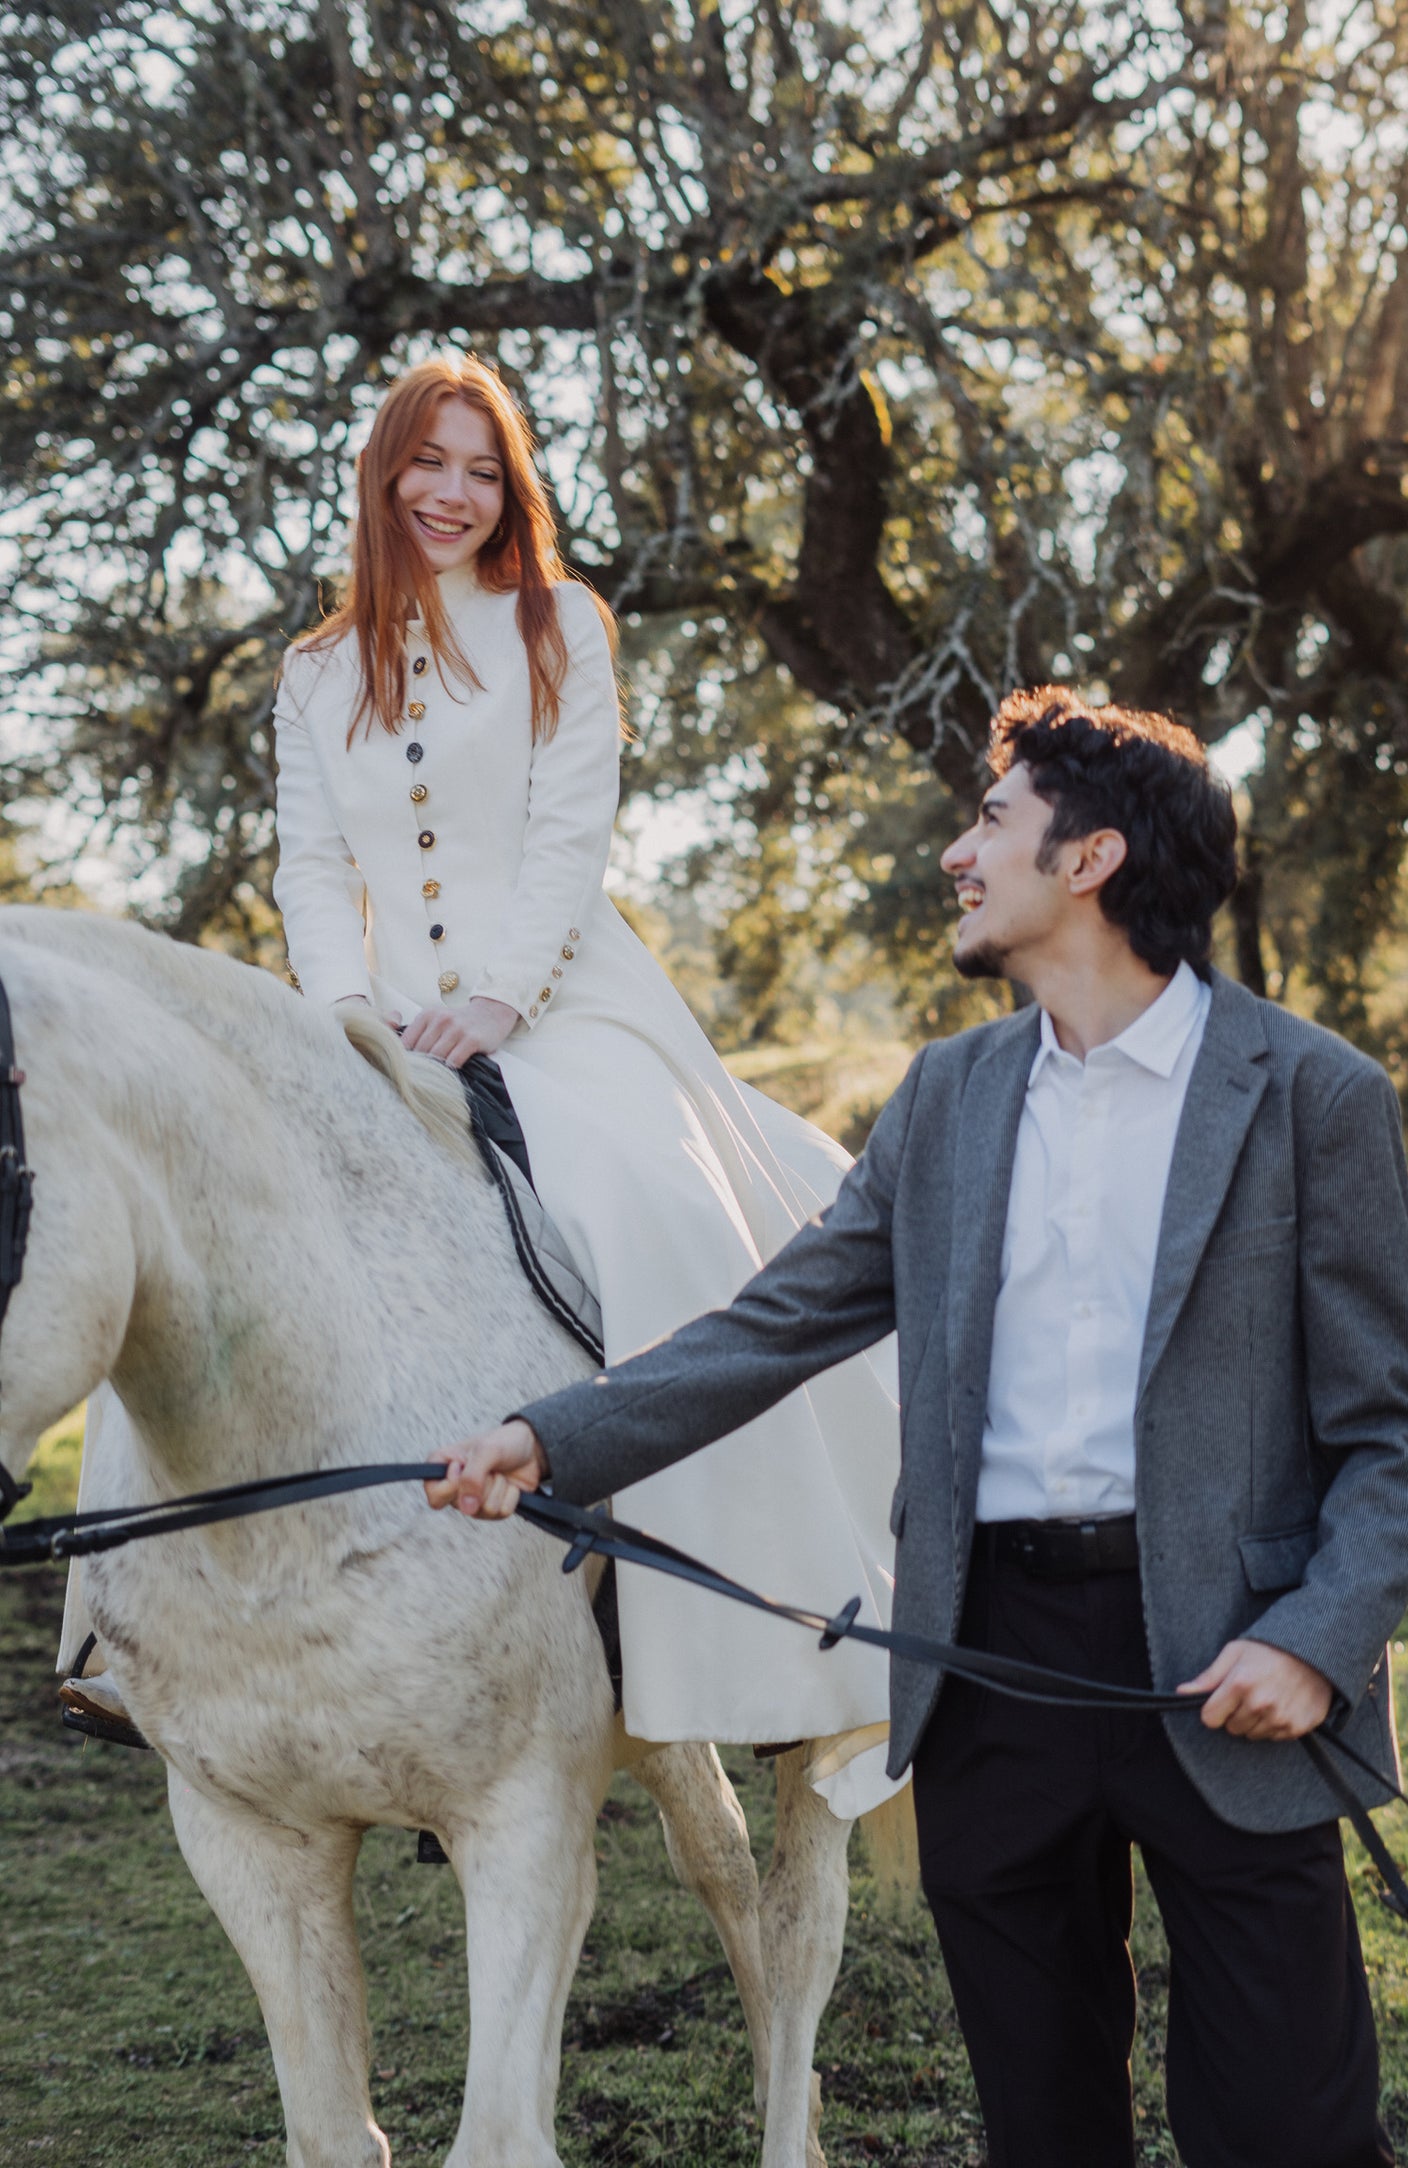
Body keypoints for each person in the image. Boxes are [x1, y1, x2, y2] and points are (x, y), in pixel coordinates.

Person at [428, 689, 1408, 2168]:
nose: (960, 855)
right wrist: (551, 1437)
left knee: (1288, 2128)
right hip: (989, 1666)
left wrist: (1311, 1637)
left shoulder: (1311, 1096)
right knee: (1038, 2123)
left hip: (1231, 1668)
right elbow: (776, 1321)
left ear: (1089, 859)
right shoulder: (950, 1096)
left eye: (990, 821)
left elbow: (1392, 1433)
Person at [260, 351, 904, 1810]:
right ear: (384, 471)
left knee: (648, 1216)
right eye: (431, 463)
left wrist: (500, 999)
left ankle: (759, 1637)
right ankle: (132, 1636)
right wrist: (343, 1019)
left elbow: (568, 836)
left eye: (484, 471)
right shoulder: (311, 670)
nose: (453, 494)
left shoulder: (560, 623)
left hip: (564, 1002)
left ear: (512, 491)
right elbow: (309, 864)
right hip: (380, 1029)